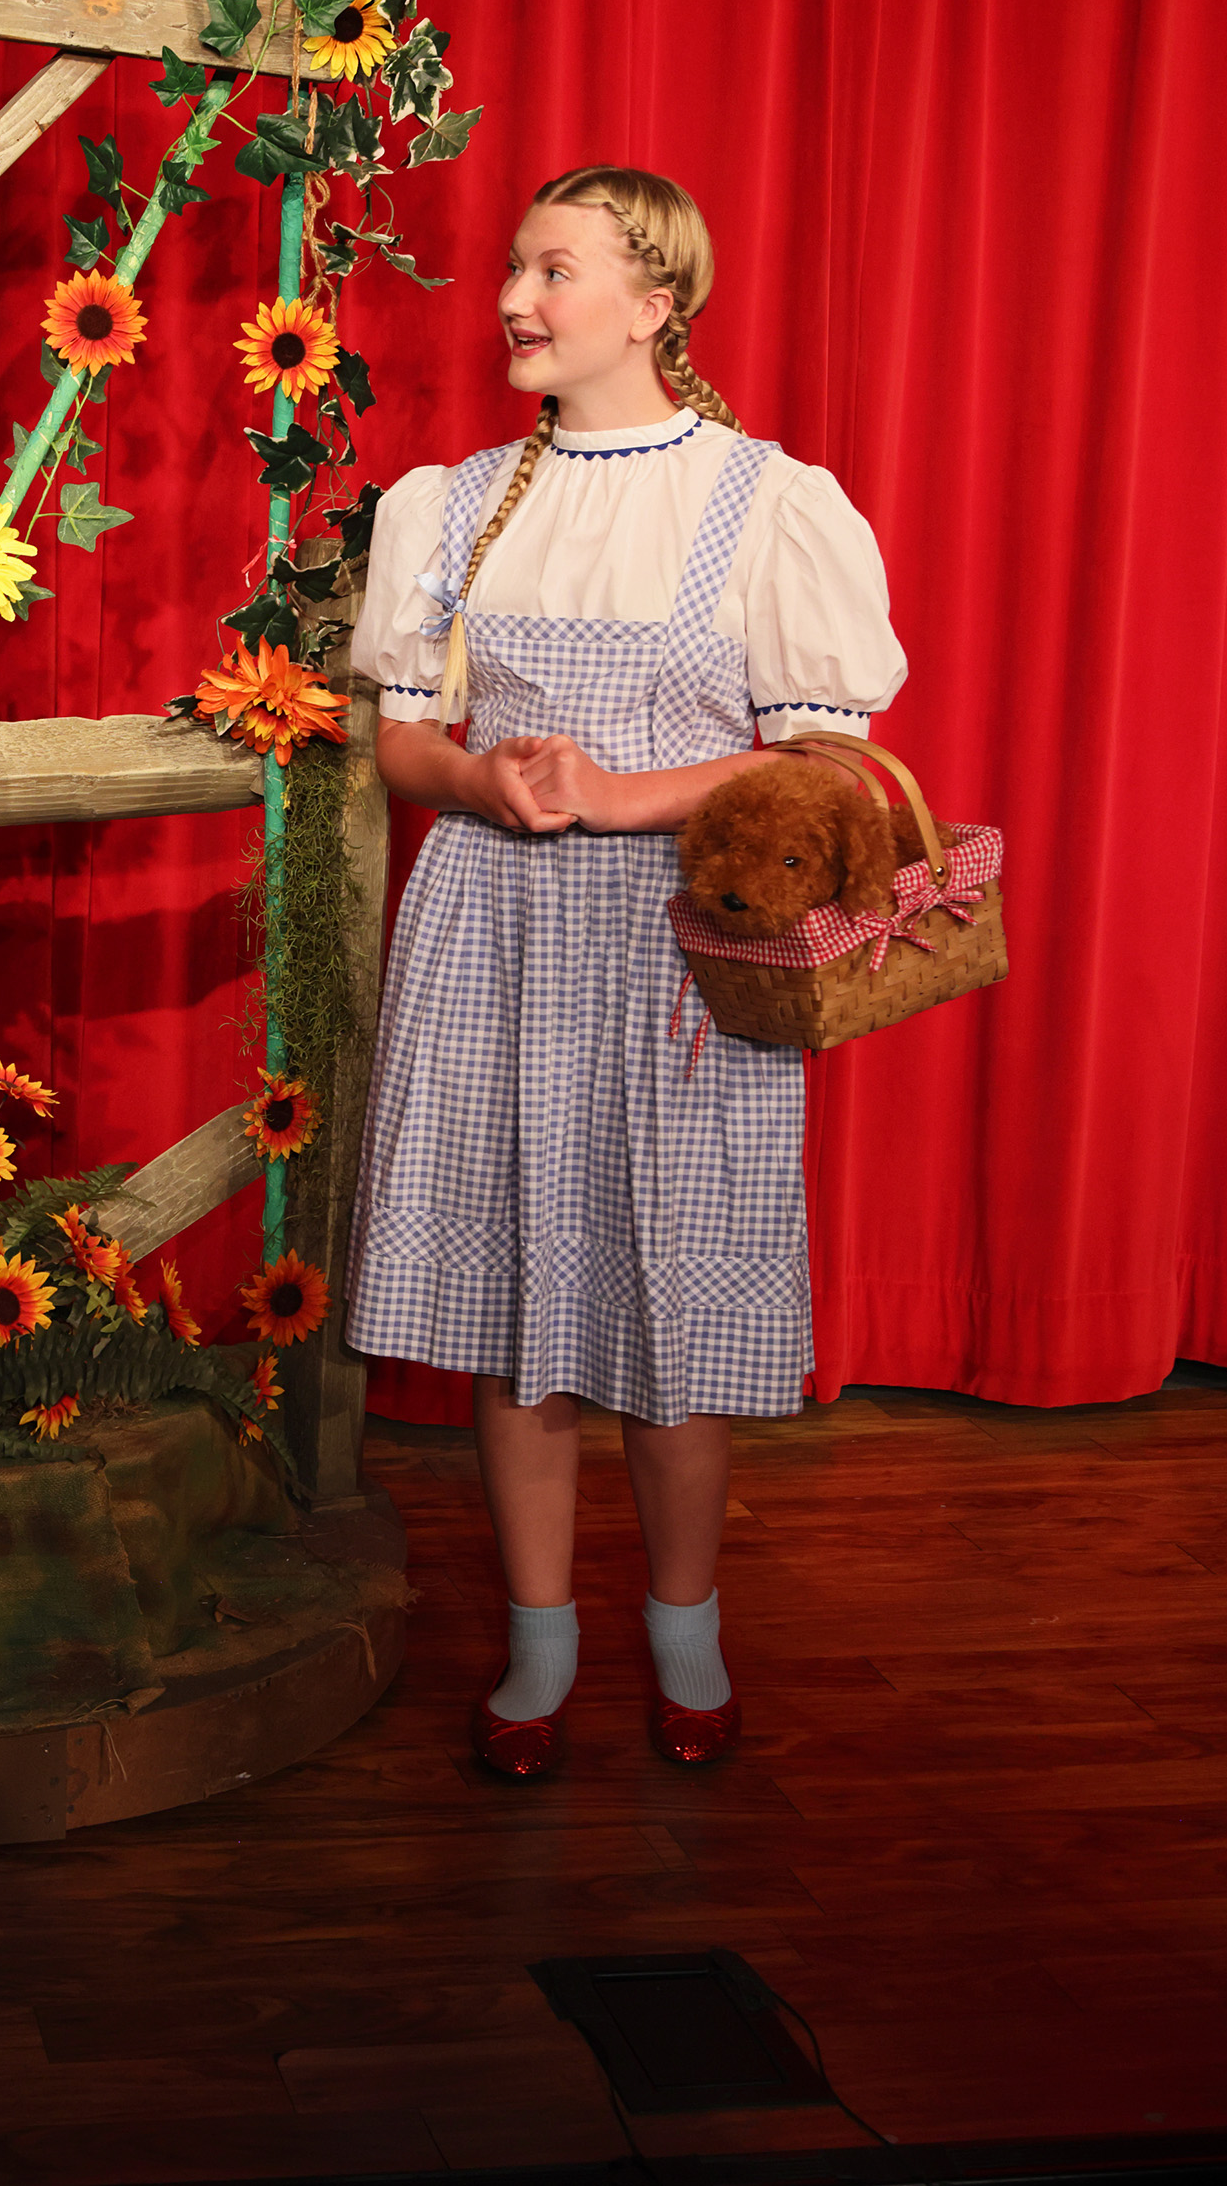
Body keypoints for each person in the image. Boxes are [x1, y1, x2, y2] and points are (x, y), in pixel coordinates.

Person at [346, 165, 905, 1777]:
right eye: (516, 269)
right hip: (494, 927)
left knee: (674, 1322)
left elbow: (821, 757)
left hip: (682, 942)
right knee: (520, 1313)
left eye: (556, 271)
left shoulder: (768, 500)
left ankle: (685, 1633)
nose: (515, 300)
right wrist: (480, 777)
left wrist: (615, 794)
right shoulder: (450, 503)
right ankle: (540, 1650)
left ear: (656, 305)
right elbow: (401, 740)